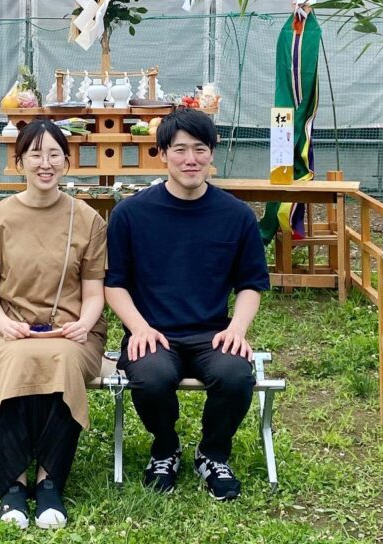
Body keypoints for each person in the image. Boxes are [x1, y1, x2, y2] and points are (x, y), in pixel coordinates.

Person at [105, 108, 269, 500]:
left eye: (200, 148)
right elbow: (114, 285)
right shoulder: (131, 214)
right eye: (179, 150)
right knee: (151, 377)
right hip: (153, 334)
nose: (190, 159)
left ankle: (213, 454)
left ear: (212, 152)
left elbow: (251, 284)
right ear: (162, 153)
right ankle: (165, 448)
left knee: (235, 375)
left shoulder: (237, 216)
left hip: (213, 333)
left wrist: (237, 329)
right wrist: (139, 328)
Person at [0, 119, 107, 529]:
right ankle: (12, 484)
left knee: (60, 360)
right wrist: (5, 325)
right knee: (21, 362)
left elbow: (95, 293)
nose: (46, 163)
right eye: (36, 154)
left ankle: (49, 483)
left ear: (67, 160)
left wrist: (84, 324)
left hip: (74, 332)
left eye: (54, 154)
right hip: (11, 330)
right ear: (19, 160)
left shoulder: (88, 219)